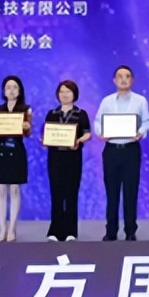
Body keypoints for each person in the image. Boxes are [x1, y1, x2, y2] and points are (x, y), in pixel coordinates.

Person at [93, 65, 149, 241]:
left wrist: (140, 132)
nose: (123, 79)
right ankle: (111, 230)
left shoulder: (140, 101)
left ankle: (130, 230)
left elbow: (147, 121)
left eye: (127, 76)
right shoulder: (107, 101)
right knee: (111, 192)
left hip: (131, 150)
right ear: (114, 80)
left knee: (130, 191)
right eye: (120, 76)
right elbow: (97, 121)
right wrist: (101, 133)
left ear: (132, 80)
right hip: (111, 150)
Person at [43, 80, 92, 242]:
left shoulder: (81, 114)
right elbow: (45, 133)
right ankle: (55, 230)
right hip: (55, 157)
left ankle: (71, 231)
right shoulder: (52, 113)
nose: (64, 95)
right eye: (62, 91)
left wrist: (79, 140)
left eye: (68, 91)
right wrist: (44, 139)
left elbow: (87, 133)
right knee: (56, 193)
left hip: (73, 157)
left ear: (74, 94)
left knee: (71, 193)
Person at [0, 75, 32, 242]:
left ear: (20, 91)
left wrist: (26, 126)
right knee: (0, 190)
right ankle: (2, 228)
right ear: (4, 91)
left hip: (16, 151)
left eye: (15, 87)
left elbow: (28, 133)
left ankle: (12, 228)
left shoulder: (26, 109)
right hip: (0, 151)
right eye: (8, 87)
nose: (11, 90)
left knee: (14, 189)